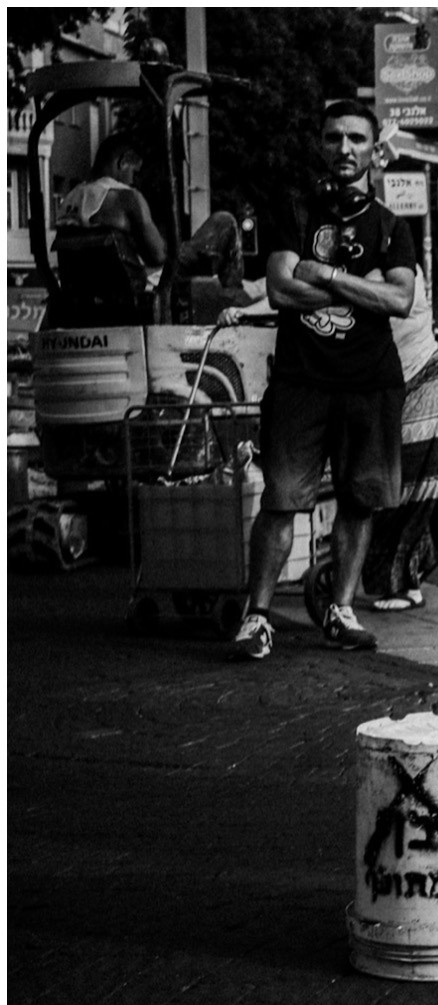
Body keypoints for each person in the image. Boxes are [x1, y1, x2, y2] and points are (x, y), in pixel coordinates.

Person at [231, 98, 418, 659]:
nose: (345, 149)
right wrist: (363, 286)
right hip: (301, 381)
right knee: (282, 501)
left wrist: (327, 273)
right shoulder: (293, 211)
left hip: (371, 383)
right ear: (321, 143)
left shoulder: (390, 225)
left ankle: (340, 609)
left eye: (356, 139)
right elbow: (283, 290)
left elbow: (401, 299)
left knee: (360, 503)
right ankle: (256, 617)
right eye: (334, 137)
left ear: (372, 148)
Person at [363, 265, 438, 611]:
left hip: (429, 382)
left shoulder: (397, 273)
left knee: (408, 486)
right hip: (405, 388)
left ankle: (402, 583)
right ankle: (408, 580)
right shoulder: (368, 271)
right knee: (419, 486)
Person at [54, 131, 247, 298]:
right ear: (123, 161)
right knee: (224, 222)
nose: (133, 180)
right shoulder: (126, 197)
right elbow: (158, 256)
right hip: (139, 283)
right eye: (134, 172)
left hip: (95, 288)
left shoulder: (70, 199)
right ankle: (235, 298)